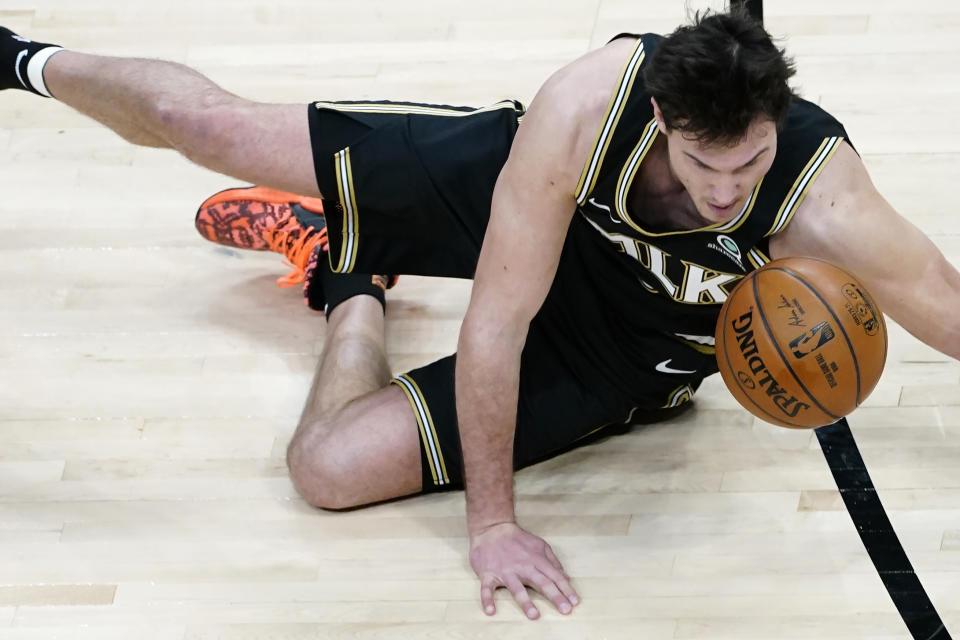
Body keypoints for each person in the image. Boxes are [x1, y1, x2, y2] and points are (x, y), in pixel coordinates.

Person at [3, 9, 959, 621]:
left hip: (628, 347)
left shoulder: (827, 201)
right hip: (523, 200)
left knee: (325, 470)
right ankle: (22, 57)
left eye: (747, 164)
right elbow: (496, 323)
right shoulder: (588, 108)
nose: (726, 192)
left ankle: (350, 285)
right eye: (704, 166)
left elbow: (948, 310)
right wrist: (490, 524)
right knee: (216, 130)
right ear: (663, 117)